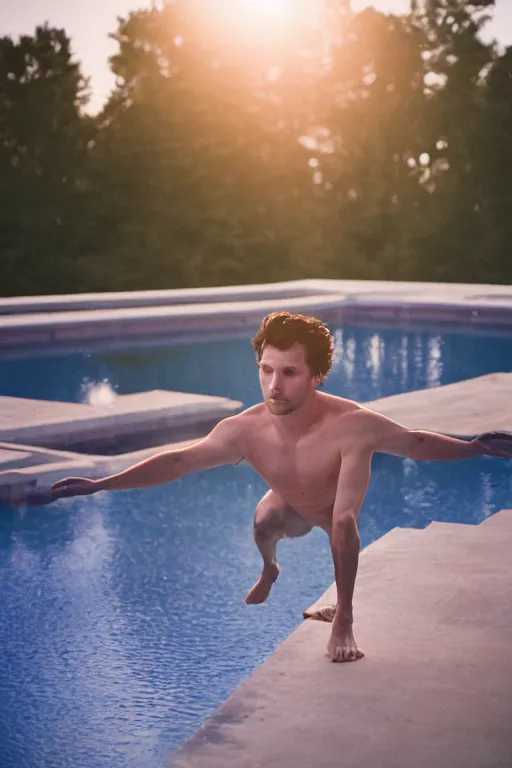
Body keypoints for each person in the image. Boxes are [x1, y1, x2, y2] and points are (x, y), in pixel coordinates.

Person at [50, 312, 512, 663]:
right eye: (266, 369)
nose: (274, 385)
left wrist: (473, 448)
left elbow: (415, 442)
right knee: (264, 517)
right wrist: (100, 484)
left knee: (342, 521)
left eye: (289, 373)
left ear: (316, 375)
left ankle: (344, 618)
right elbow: (179, 460)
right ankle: (270, 569)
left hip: (334, 505)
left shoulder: (352, 425)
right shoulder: (243, 430)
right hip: (291, 506)